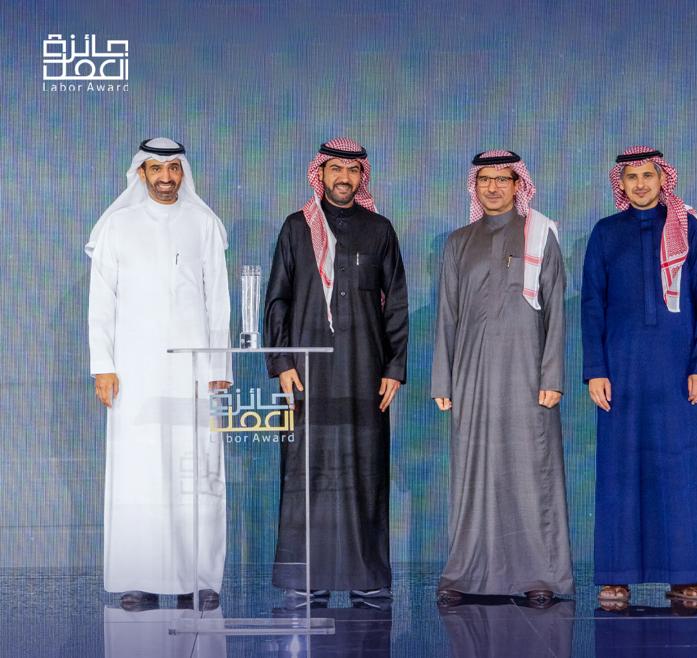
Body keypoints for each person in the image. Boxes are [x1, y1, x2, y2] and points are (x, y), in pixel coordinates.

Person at [87, 137, 231, 610]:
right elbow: (101, 302)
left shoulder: (203, 224)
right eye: (156, 169)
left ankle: (199, 581)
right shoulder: (117, 227)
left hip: (194, 371)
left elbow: (219, 302)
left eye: (173, 169)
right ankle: (139, 579)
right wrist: (103, 366)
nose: (166, 178)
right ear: (141, 173)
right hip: (134, 371)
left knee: (199, 470)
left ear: (183, 172)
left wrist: (220, 368)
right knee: (139, 471)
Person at [264, 138, 408, 604]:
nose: (344, 178)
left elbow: (396, 303)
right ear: (321, 174)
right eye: (335, 169)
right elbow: (278, 300)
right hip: (307, 372)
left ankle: (367, 577)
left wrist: (394, 367)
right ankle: (307, 579)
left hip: (366, 369)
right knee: (307, 471)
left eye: (352, 170)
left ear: (361, 176)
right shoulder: (296, 227)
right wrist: (282, 362)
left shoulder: (379, 229)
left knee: (365, 469)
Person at [431, 150, 574, 605]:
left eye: (502, 179)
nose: (493, 187)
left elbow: (556, 311)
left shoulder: (540, 235)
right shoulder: (458, 242)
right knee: (474, 473)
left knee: (531, 470)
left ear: (518, 185)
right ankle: (466, 575)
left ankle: (539, 577)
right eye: (485, 180)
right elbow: (447, 314)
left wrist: (552, 376)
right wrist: (442, 380)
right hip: (470, 374)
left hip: (529, 372)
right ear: (475, 186)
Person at [581, 146, 697, 606]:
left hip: (679, 373)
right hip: (621, 373)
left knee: (681, 470)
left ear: (663, 180)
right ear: (621, 183)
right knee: (620, 471)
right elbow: (592, 305)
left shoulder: (688, 229)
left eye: (648, 176)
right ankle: (616, 575)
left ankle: (685, 575)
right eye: (632, 177)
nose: (640, 184)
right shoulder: (605, 233)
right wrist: (596, 370)